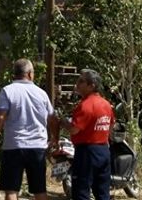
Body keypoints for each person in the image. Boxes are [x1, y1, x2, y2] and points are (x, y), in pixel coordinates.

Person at [0, 58, 54, 200]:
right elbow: (52, 119)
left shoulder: (7, 91)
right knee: (40, 190)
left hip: (14, 146)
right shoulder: (42, 94)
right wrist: (55, 138)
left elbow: (0, 117)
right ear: (30, 74)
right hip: (37, 148)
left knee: (11, 190)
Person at [51, 68, 114, 200]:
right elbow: (111, 126)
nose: (77, 84)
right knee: (103, 193)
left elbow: (74, 129)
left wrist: (61, 121)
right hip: (103, 150)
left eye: (81, 81)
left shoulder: (85, 105)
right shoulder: (106, 104)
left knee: (81, 192)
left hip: (87, 152)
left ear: (92, 86)